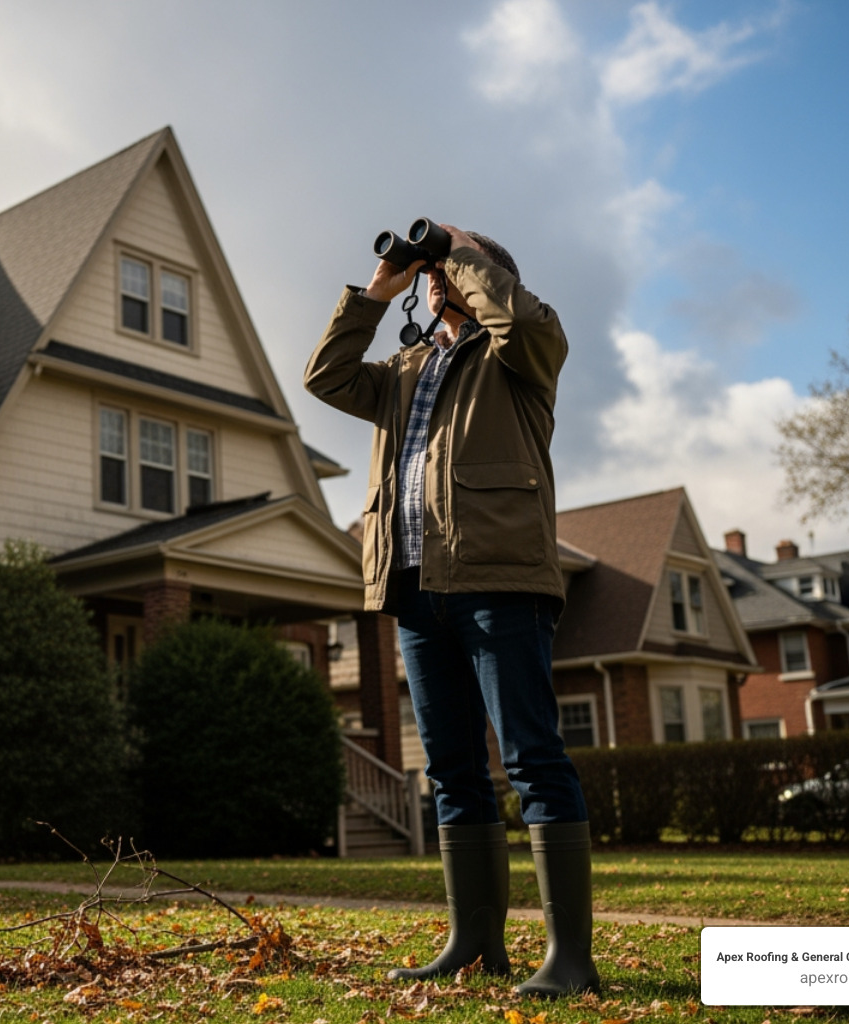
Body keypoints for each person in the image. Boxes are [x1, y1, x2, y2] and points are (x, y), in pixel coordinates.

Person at [304, 223, 598, 997]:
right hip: (412, 589)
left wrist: (464, 250)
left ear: (484, 280)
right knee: (452, 772)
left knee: (532, 759)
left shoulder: (523, 352)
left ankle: (570, 958)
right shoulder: (406, 368)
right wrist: (377, 292)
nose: (437, 282)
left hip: (500, 581)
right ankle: (475, 945)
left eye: (451, 272)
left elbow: (520, 319)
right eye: (433, 274)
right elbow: (326, 378)